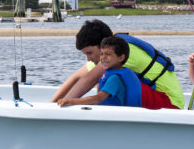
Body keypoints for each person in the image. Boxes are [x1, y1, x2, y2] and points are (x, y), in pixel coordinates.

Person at [51, 19, 184, 109]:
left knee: (112, 80)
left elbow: (89, 79)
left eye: (90, 53)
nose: (88, 59)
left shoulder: (121, 51)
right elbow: (76, 78)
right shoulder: (106, 58)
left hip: (170, 103)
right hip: (153, 99)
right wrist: (52, 104)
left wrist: (65, 104)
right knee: (104, 78)